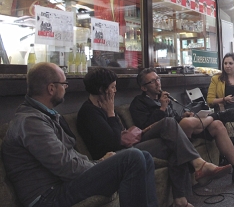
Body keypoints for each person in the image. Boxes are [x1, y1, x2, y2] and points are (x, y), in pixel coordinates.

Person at [1, 62, 157, 207]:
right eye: (64, 84)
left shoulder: (46, 115)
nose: (66, 88)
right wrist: (98, 164)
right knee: (133, 157)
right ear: (51, 88)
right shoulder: (30, 122)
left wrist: (99, 162)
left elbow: (69, 155)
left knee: (145, 157)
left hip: (60, 185)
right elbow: (65, 166)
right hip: (46, 196)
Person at [77, 68, 233, 207]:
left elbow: (120, 133)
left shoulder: (103, 106)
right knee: (169, 125)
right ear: (102, 90)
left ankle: (180, 200)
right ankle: (199, 164)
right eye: (112, 88)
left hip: (130, 145)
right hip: (116, 156)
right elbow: (114, 143)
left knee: (174, 143)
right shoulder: (90, 112)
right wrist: (111, 114)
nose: (115, 91)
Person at [130, 67, 234, 182]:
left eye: (158, 79)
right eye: (152, 81)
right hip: (166, 136)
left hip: (183, 128)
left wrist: (183, 115)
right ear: (143, 87)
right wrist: (162, 109)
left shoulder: (164, 98)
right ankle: (215, 115)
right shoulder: (138, 103)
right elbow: (146, 127)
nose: (158, 83)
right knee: (191, 123)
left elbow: (175, 117)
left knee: (217, 125)